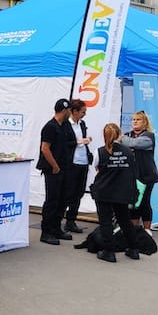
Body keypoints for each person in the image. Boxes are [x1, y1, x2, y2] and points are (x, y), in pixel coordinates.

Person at [89, 123, 140, 263]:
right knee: (124, 220)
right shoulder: (129, 152)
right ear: (119, 134)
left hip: (104, 191)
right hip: (122, 192)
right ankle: (134, 249)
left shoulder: (99, 152)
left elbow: (97, 168)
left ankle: (109, 252)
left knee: (106, 222)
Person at [36, 98, 74, 245]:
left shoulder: (64, 126)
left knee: (62, 199)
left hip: (64, 167)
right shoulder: (50, 127)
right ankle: (46, 231)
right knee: (52, 200)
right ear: (64, 111)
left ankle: (56, 228)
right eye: (69, 111)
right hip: (52, 169)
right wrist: (55, 165)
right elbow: (45, 148)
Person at [121, 111, 158, 232]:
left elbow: (134, 144)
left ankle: (147, 230)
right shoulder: (128, 135)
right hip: (131, 176)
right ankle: (135, 230)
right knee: (133, 203)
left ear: (145, 122)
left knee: (144, 202)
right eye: (133, 119)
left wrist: (121, 138)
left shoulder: (149, 136)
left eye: (138, 120)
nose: (135, 122)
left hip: (146, 175)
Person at [62, 99, 92, 234]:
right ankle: (59, 219)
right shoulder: (66, 125)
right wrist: (78, 142)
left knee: (79, 193)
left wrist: (86, 142)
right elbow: (64, 143)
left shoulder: (82, 124)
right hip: (71, 162)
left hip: (83, 161)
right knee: (68, 192)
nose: (84, 114)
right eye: (82, 112)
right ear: (74, 111)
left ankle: (71, 220)